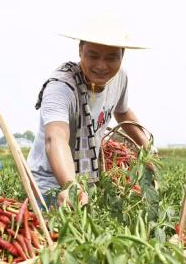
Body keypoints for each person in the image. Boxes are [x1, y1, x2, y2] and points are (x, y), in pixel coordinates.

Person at [27, 15, 150, 206]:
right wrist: (70, 185)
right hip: (48, 185)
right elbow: (55, 137)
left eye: (111, 58)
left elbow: (122, 112)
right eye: (93, 56)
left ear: (122, 56)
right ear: (80, 51)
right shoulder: (61, 87)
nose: (101, 66)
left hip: (86, 183)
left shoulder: (119, 78)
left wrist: (147, 148)